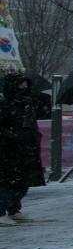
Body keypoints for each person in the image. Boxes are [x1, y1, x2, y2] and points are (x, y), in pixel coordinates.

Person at [0, 75, 43, 224]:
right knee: (7, 182)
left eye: (26, 86)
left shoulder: (28, 104)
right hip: (9, 150)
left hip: (26, 148)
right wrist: (11, 136)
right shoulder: (5, 105)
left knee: (23, 181)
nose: (24, 89)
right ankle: (2, 211)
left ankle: (14, 209)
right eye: (21, 86)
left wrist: (35, 136)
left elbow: (31, 123)